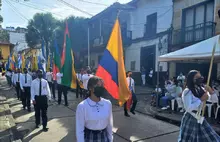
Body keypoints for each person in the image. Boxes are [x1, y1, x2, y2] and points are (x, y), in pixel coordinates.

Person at [178, 70, 220, 142]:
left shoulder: (202, 89)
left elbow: (214, 100)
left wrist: (211, 91)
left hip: (200, 118)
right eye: (197, 77)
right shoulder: (187, 91)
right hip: (191, 117)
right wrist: (200, 100)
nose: (200, 79)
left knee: (212, 138)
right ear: (191, 79)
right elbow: (188, 108)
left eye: (200, 77)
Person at [76, 76, 113, 142]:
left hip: (104, 138)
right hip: (90, 138)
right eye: (98, 85)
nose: (101, 87)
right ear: (90, 88)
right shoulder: (82, 106)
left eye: (102, 85)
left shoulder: (107, 103)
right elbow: (79, 130)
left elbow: (109, 125)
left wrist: (110, 139)